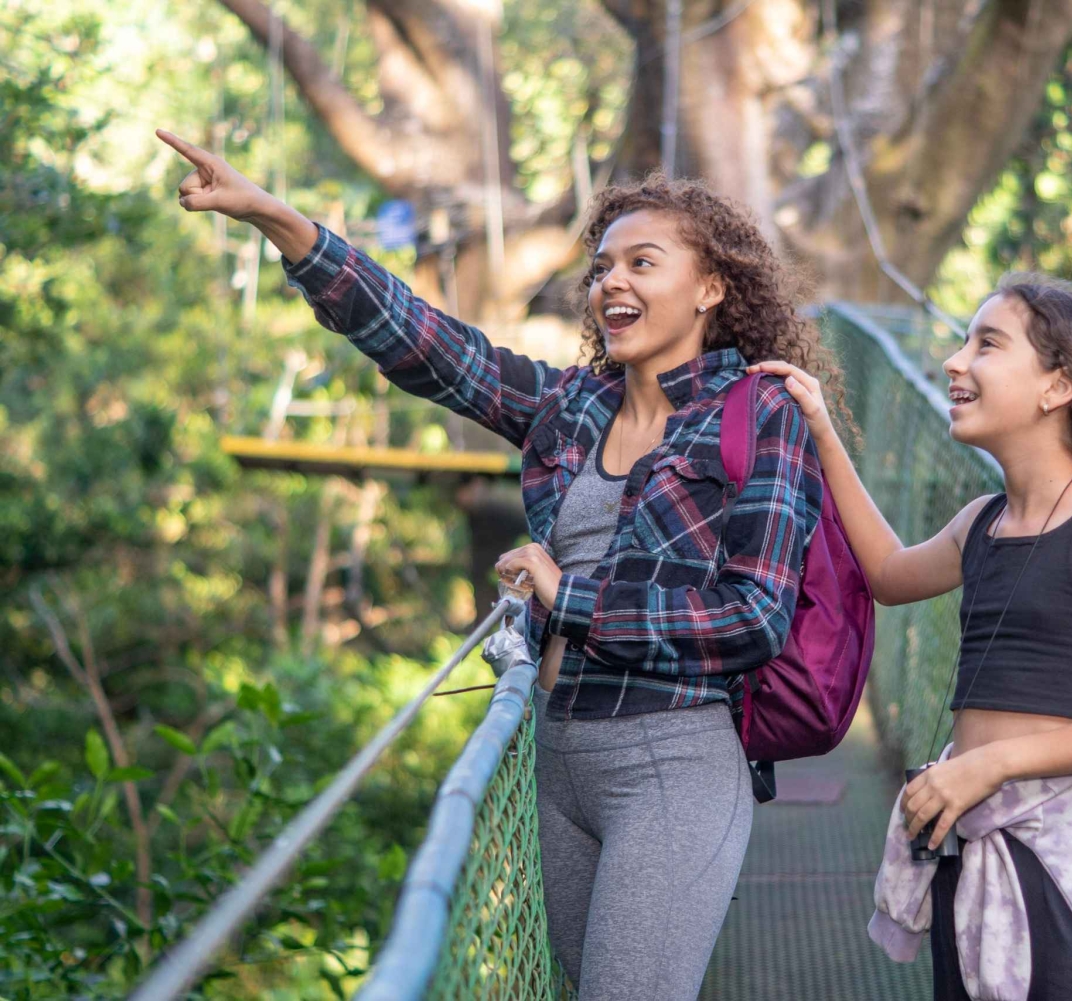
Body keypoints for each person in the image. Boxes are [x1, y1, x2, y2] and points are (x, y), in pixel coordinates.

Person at [156, 129, 841, 1001]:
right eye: (601, 267)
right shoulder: (569, 405)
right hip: (555, 757)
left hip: (673, 758)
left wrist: (572, 596)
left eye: (642, 262)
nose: (611, 284)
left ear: (711, 287)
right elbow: (428, 345)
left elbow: (756, 618)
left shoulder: (760, 413)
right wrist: (275, 218)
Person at [749, 274, 1072, 1000]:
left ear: (1059, 386)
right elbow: (889, 572)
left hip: (1063, 865)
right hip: (970, 839)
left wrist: (992, 765)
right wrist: (823, 431)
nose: (955, 361)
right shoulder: (982, 519)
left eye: (986, 343)